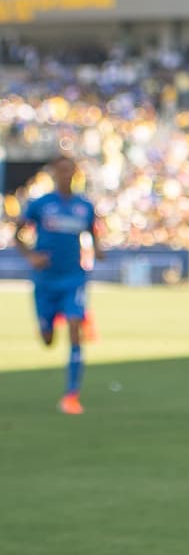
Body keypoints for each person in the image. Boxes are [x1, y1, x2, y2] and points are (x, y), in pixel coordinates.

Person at [13, 154, 103, 415]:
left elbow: (92, 233)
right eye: (61, 171)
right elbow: (17, 233)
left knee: (76, 329)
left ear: (75, 173)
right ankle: (45, 323)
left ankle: (72, 395)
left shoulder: (84, 206)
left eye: (70, 170)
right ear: (53, 173)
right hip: (45, 281)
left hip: (74, 278)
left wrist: (98, 249)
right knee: (48, 339)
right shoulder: (40, 204)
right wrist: (31, 255)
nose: (66, 175)